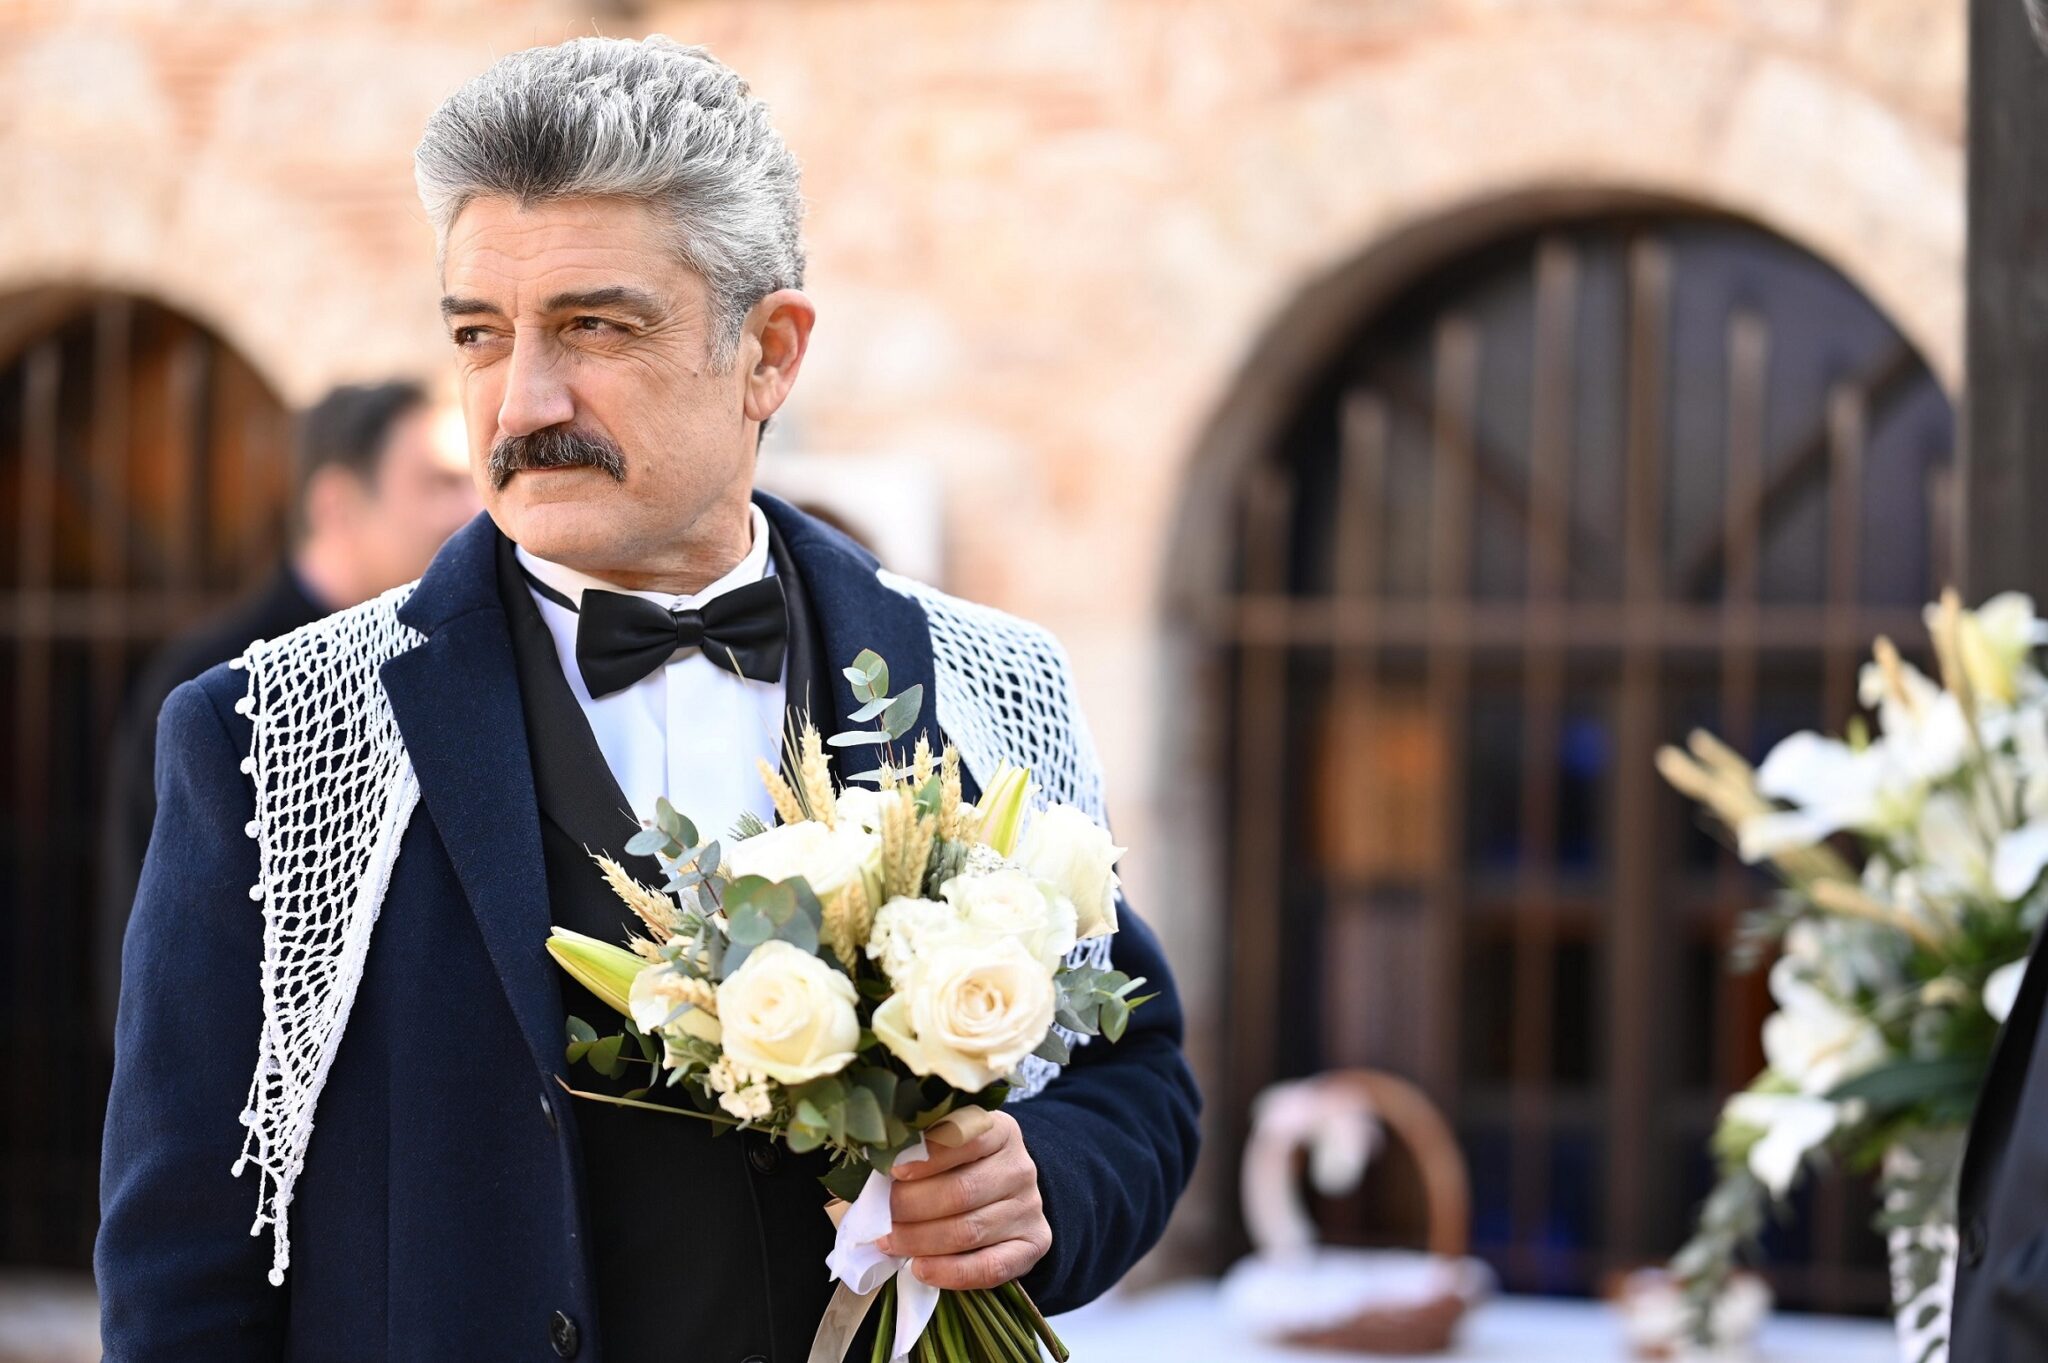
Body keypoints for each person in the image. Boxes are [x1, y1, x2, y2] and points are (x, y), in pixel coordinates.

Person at [95, 36, 1200, 1362]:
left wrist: (1043, 1183)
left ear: (769, 353)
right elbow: (183, 1259)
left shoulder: (984, 680)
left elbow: (1133, 1072)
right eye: (479, 333)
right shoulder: (271, 734)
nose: (521, 400)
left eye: (594, 326)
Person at [95, 380, 477, 1040]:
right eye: (438, 484)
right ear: (337, 506)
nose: (471, 510)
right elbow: (159, 969)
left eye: (470, 483)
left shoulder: (455, 659)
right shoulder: (216, 685)